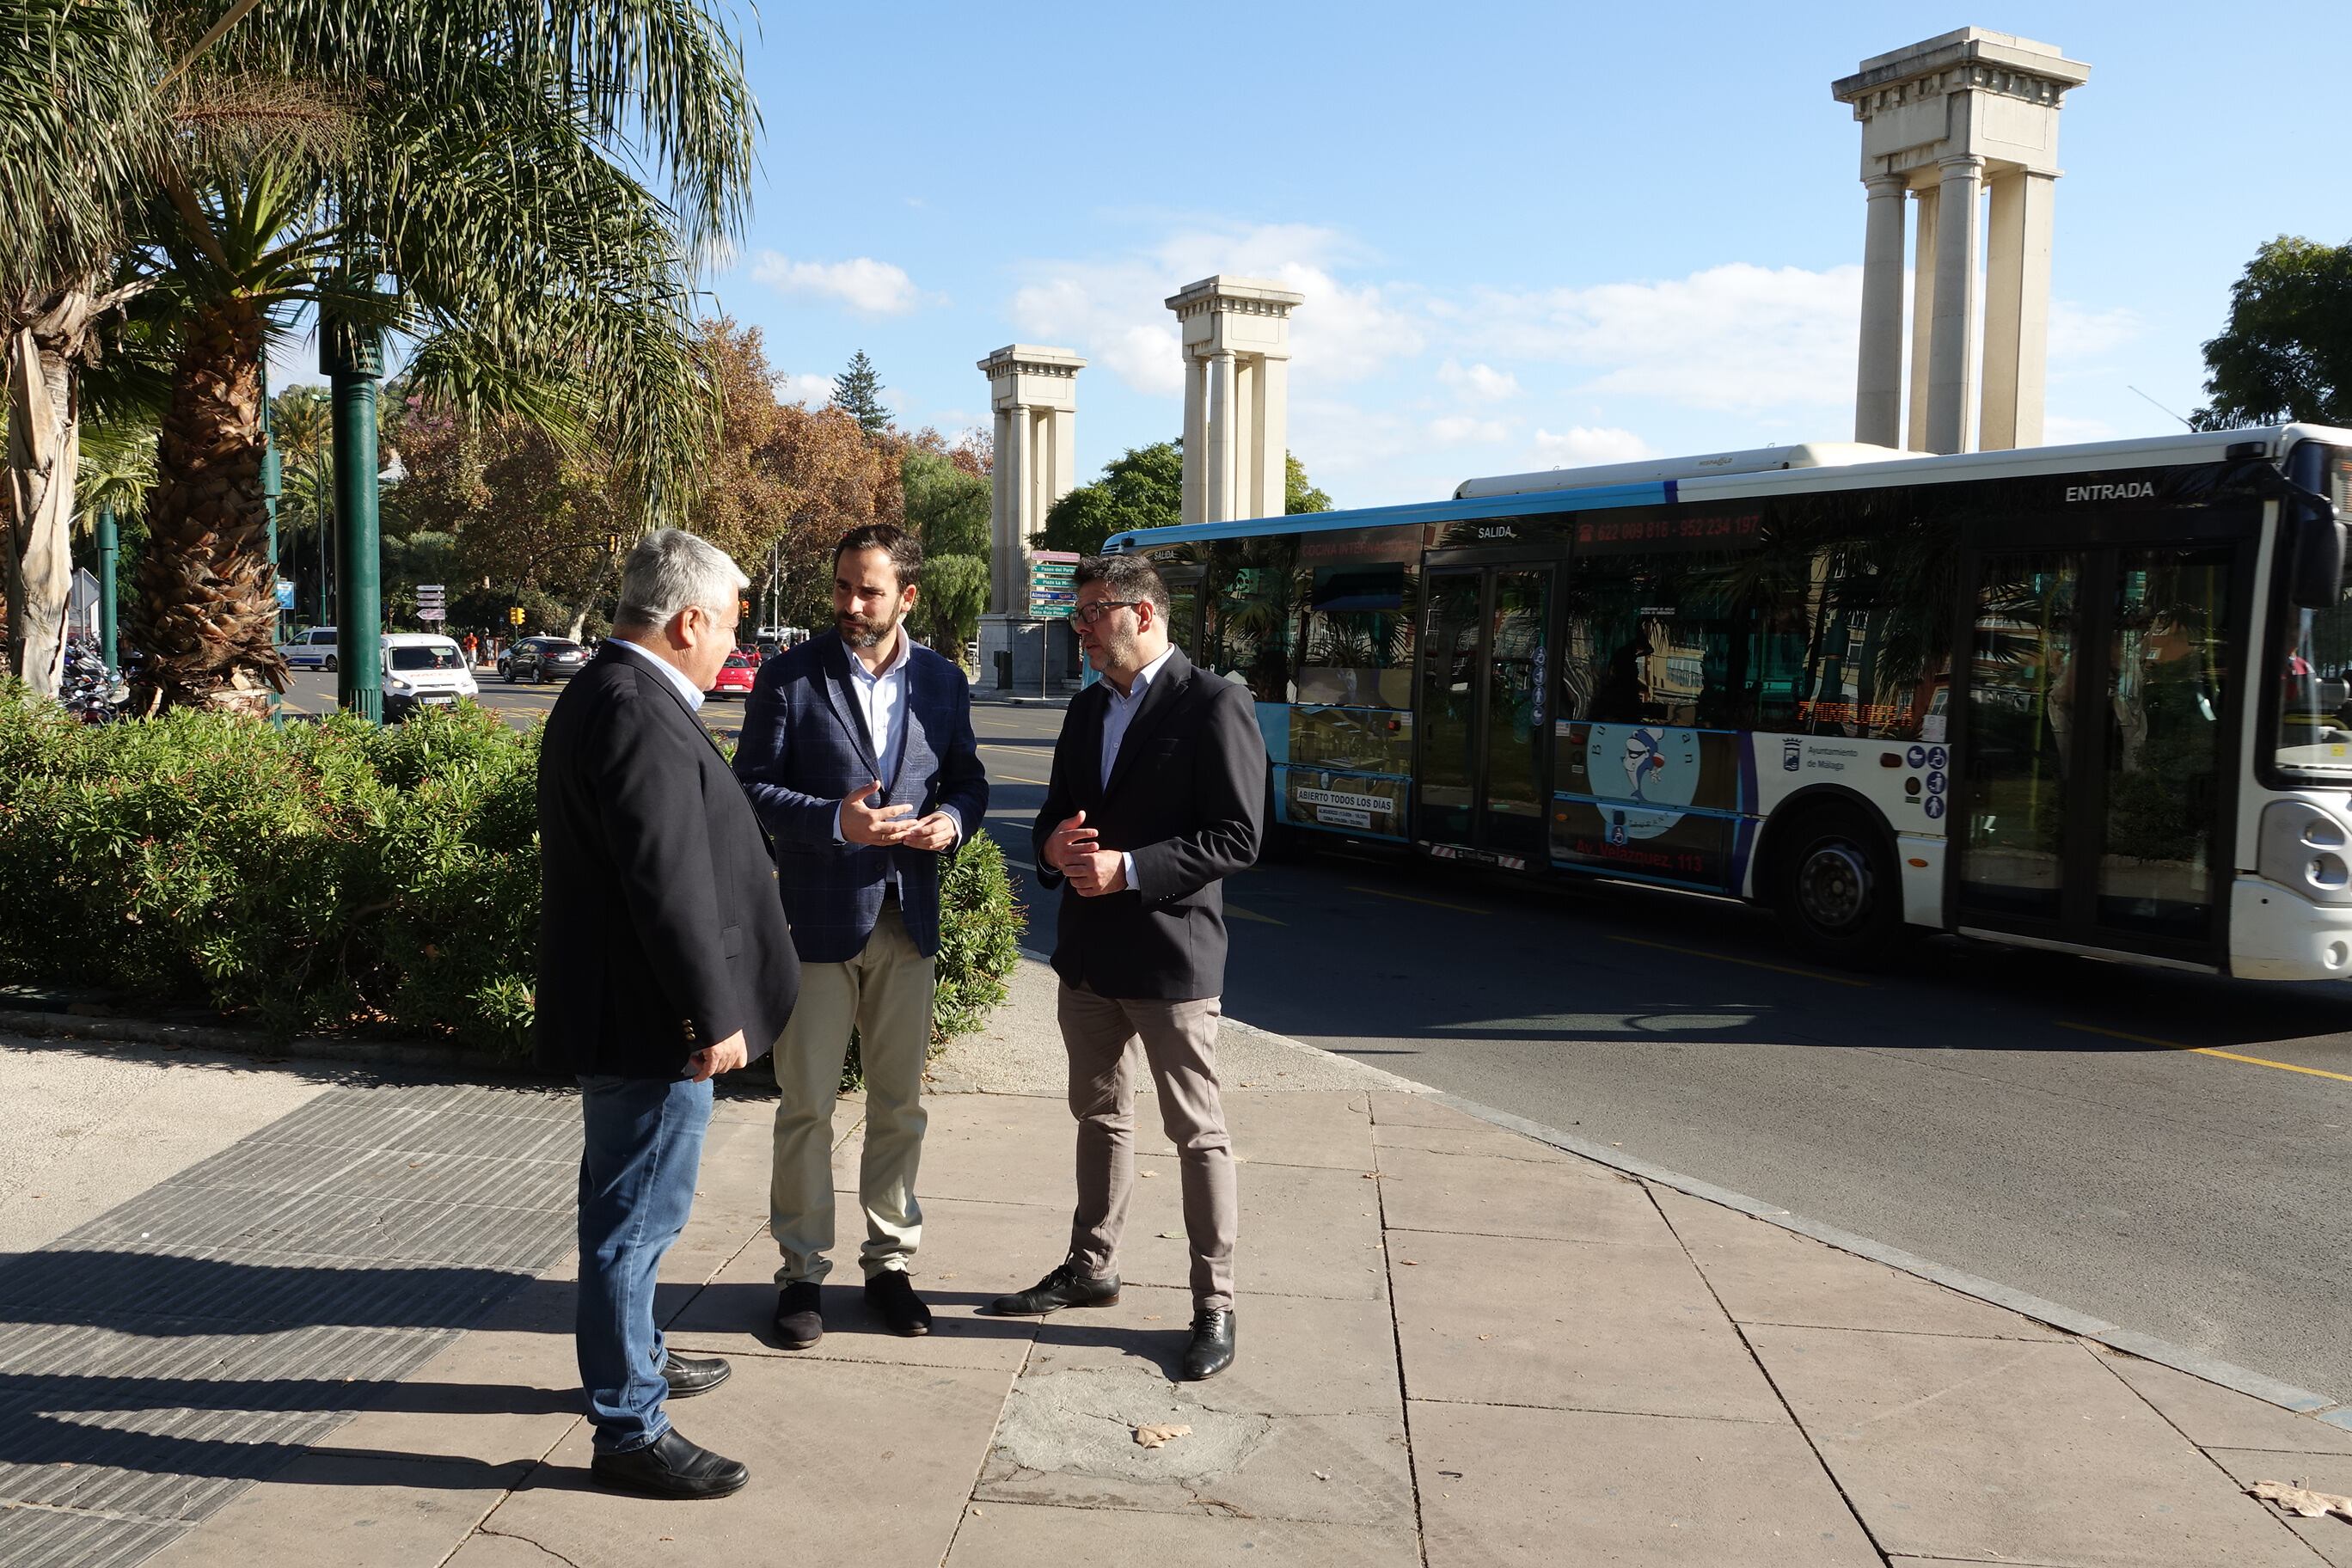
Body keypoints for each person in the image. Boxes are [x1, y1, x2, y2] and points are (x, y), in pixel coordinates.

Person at [536, 528, 799, 1500]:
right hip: (654, 1022)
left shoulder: (618, 692)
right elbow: (666, 880)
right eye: (731, 621)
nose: (735, 639)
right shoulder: (633, 705)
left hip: (637, 1010)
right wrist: (709, 1012)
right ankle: (628, 1427)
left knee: (632, 1207)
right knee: (632, 1222)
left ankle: (637, 1354)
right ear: (688, 619)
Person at [990, 553, 1265, 1381]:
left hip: (1170, 953)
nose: (1077, 629)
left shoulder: (1215, 702)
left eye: (1089, 615)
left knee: (1195, 1131)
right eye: (1076, 617)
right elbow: (1050, 814)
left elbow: (1237, 837)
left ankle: (1213, 1301)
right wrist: (1051, 846)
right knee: (1100, 1115)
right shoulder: (1086, 710)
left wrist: (1130, 868)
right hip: (1086, 955)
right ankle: (1092, 1264)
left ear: (1141, 615)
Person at [732, 524, 987, 1347]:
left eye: (868, 591)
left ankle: (890, 1267)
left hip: (907, 919)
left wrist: (950, 821)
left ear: (906, 596)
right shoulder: (788, 677)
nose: (850, 604)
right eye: (842, 587)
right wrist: (836, 823)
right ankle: (801, 1271)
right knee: (804, 1104)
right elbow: (752, 790)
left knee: (898, 1105)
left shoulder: (943, 682)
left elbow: (969, 781)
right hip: (813, 920)